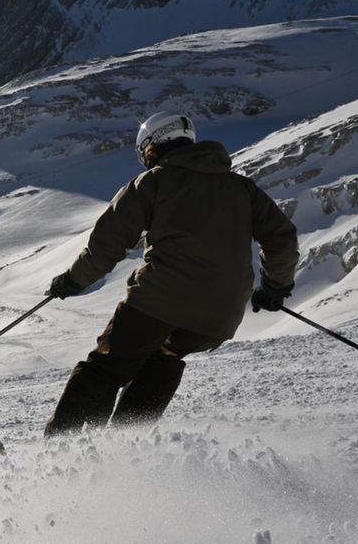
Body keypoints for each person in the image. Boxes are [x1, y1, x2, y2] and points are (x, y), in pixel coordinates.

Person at [43, 112, 298, 436]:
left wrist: (73, 280)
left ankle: (60, 452)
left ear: (152, 147)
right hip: (219, 316)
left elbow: (107, 244)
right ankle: (124, 451)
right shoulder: (242, 188)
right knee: (163, 359)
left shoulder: (153, 182)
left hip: (159, 300)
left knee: (106, 367)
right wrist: (275, 286)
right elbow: (282, 239)